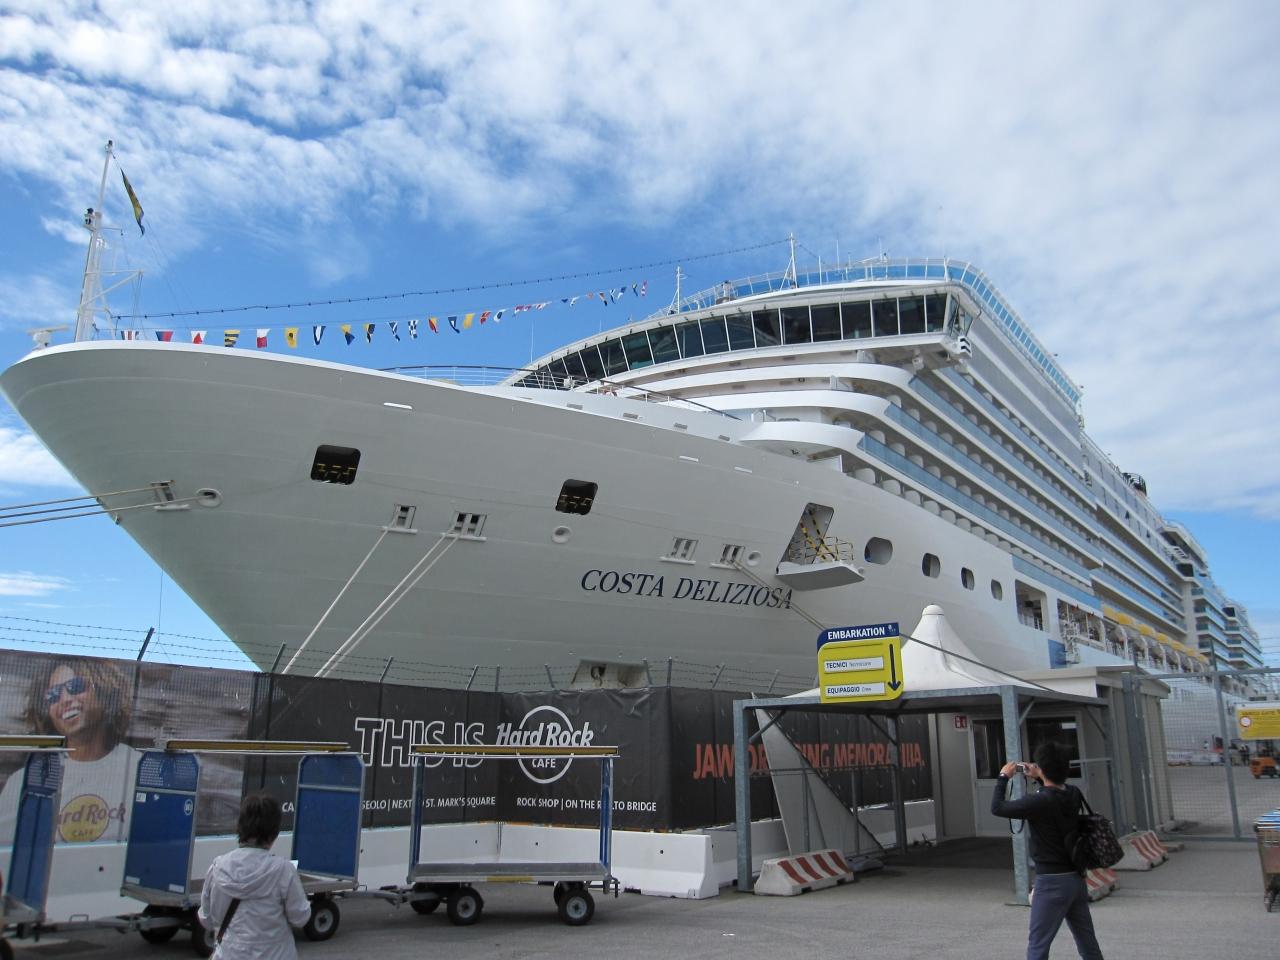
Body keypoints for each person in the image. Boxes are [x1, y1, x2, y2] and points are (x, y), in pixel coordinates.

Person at [0, 656, 141, 845]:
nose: (65, 699)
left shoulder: (139, 769)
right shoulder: (25, 782)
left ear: (105, 691)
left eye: (76, 686)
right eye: (53, 695)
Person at [991, 741, 1104, 960]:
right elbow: (1054, 792)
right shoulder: (1073, 793)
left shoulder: (1038, 801)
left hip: (1051, 882)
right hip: (1076, 878)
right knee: (1087, 942)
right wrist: (1040, 776)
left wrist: (1003, 777)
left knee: (1038, 946)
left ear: (1042, 768)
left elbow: (997, 807)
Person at [199, 793, 311, 960]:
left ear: (240, 827)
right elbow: (301, 918)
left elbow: (206, 919)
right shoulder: (283, 871)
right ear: (274, 833)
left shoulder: (217, 868)